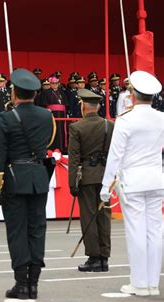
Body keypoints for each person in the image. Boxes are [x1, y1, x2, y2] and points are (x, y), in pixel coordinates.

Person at [0, 68, 54, 300]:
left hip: (15, 179)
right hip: (38, 178)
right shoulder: (47, 116)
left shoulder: (6, 118)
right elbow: (46, 145)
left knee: (17, 231)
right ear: (35, 95)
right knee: (37, 230)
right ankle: (34, 283)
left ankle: (21, 283)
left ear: (14, 93)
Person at [100, 70, 164, 297]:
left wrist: (105, 187)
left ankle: (139, 283)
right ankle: (152, 284)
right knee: (155, 231)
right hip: (157, 179)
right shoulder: (162, 118)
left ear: (132, 95)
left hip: (133, 181)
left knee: (136, 231)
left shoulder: (126, 119)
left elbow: (115, 155)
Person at [68, 89, 114, 272]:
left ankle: (94, 257)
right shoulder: (109, 125)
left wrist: (73, 183)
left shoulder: (77, 127)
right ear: (98, 107)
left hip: (86, 176)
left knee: (89, 217)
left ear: (83, 106)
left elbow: (74, 158)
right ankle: (104, 257)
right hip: (106, 176)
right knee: (104, 217)